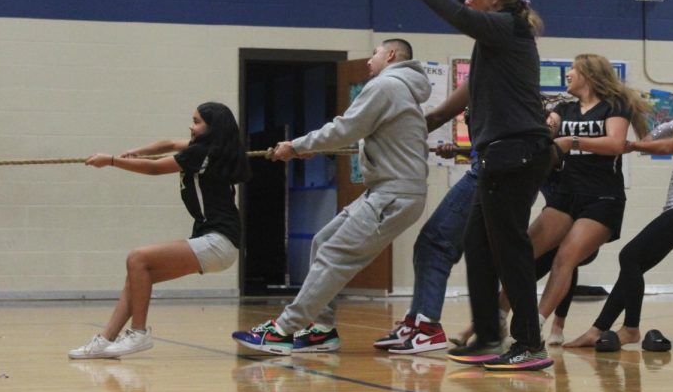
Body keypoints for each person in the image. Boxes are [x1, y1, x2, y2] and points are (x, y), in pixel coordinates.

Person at [390, 0, 556, 372]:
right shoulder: (495, 38)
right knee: (480, 248)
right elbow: (470, 88)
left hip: (517, 154)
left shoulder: (508, 27)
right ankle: (487, 336)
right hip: (499, 154)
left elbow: (460, 15)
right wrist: (432, 121)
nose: (467, 0)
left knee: (510, 249)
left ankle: (529, 343)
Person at [233, 39, 430, 355]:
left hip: (393, 194)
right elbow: (367, 136)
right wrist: (312, 148)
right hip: (387, 191)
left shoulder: (386, 86)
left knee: (333, 256)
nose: (369, 60)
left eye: (375, 53)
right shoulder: (400, 88)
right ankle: (321, 331)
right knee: (323, 242)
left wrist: (297, 145)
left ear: (391, 55)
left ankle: (283, 330)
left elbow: (346, 128)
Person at [562, 72, 673, 348]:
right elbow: (659, 134)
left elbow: (670, 145)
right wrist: (636, 129)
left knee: (629, 256)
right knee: (632, 266)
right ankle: (597, 329)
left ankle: (631, 328)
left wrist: (633, 146)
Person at [70, 102, 250, 358]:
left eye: (197, 121)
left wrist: (112, 161)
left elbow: (155, 168)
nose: (191, 125)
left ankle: (139, 333)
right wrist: (136, 151)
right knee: (137, 274)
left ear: (212, 128)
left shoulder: (200, 153)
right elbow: (168, 143)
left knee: (138, 257)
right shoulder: (210, 149)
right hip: (217, 242)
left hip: (218, 242)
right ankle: (104, 341)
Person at [520, 54, 648, 346]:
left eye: (573, 70)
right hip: (565, 194)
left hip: (602, 197)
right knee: (523, 253)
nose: (567, 75)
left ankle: (533, 326)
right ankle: (494, 319)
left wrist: (572, 142)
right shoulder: (564, 108)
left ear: (589, 75)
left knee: (566, 258)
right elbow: (547, 132)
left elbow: (615, 143)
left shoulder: (615, 106)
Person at [374, 81, 474, 355]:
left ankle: (427, 327)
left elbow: (436, 117)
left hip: (488, 175)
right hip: (492, 171)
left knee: (435, 244)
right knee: (432, 246)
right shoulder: (511, 75)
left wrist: (386, 141)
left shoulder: (486, 72)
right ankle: (417, 322)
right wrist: (462, 150)